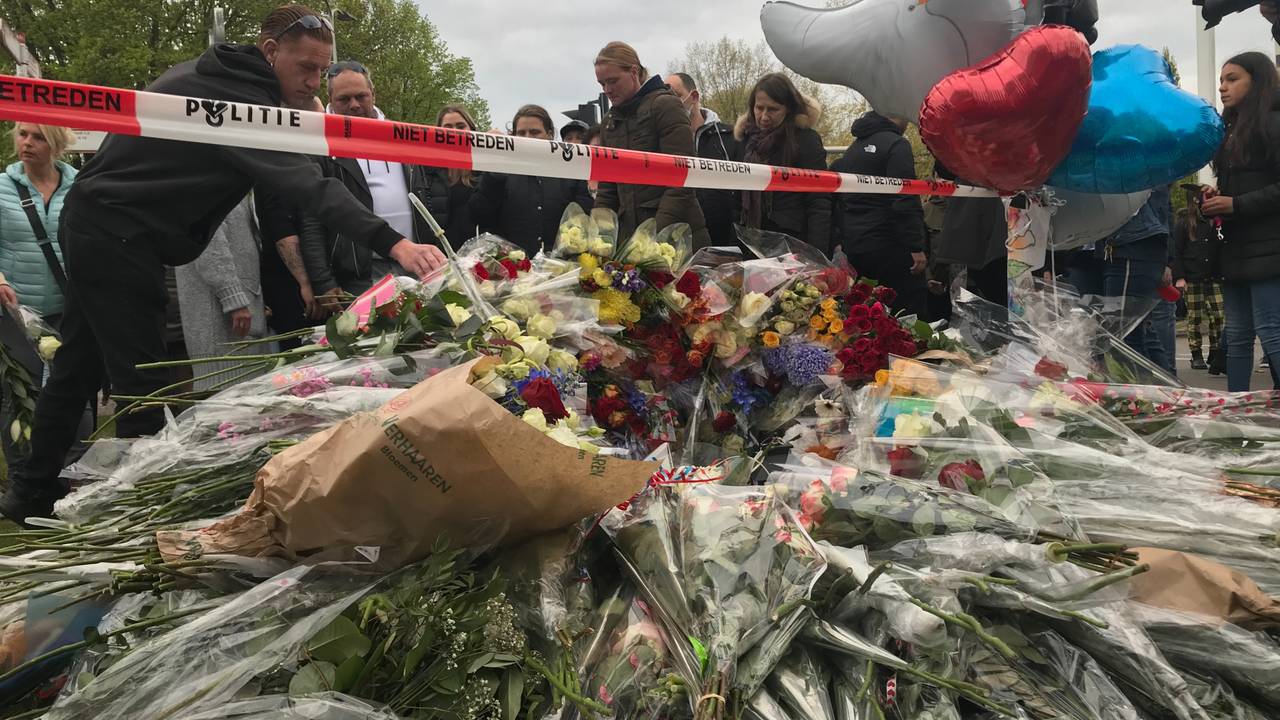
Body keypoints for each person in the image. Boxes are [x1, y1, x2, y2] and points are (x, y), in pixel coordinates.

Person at [0, 4, 445, 523]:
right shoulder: (237, 98)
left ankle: (30, 495)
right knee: (144, 382)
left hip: (107, 226)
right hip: (118, 235)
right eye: (305, 68)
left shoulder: (223, 78)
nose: (312, 82)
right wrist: (394, 242)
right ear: (270, 52)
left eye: (322, 70)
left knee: (76, 367)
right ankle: (141, 515)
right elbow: (305, 185)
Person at [301, 61, 440, 303]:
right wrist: (323, 281)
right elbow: (311, 219)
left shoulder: (402, 136)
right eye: (344, 99)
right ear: (330, 98)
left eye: (361, 96)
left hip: (416, 265)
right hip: (359, 276)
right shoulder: (319, 145)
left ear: (373, 94)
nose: (354, 105)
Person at [1201, 52, 1280, 392]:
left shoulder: (1274, 124)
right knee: (1236, 334)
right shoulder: (1231, 130)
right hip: (1235, 246)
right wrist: (1216, 196)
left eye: (1232, 79)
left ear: (1257, 81)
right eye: (1221, 80)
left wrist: (1237, 203)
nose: (1222, 87)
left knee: (1271, 328)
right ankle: (1235, 412)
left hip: (1269, 245)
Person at [593, 41, 709, 247]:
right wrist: (598, 235)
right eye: (602, 84)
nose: (607, 90)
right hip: (631, 238)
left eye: (612, 81)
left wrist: (653, 236)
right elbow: (607, 189)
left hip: (675, 237)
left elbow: (682, 180)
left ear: (634, 72)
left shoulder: (666, 106)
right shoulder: (610, 121)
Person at [1067, 186, 1174, 369]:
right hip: (1095, 246)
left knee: (1124, 334)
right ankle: (1163, 392)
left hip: (1130, 242)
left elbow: (1160, 199)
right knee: (1123, 332)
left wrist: (1169, 261)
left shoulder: (1138, 163)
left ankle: (1144, 394)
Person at [831, 109, 923, 314]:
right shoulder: (897, 144)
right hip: (890, 245)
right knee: (905, 311)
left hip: (855, 245)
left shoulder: (853, 149)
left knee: (864, 312)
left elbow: (843, 200)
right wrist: (915, 245)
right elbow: (905, 196)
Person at [176, 197, 272, 391]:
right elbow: (208, 245)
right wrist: (234, 298)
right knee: (225, 406)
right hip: (220, 323)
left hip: (240, 317)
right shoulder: (204, 176)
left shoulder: (230, 177)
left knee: (248, 405)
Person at [472, 105, 594, 255]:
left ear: (549, 135)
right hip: (514, 268)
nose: (528, 138)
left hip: (561, 268)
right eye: (521, 133)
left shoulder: (569, 173)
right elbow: (480, 215)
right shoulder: (499, 172)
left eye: (535, 132)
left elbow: (585, 218)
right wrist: (493, 178)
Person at [736, 73, 832, 256]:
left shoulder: (806, 140)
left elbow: (819, 202)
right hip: (748, 241)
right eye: (759, 108)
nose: (763, 116)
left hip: (792, 245)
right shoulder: (744, 140)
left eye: (772, 109)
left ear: (788, 109)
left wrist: (816, 255)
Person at [0, 124, 76, 322]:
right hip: (13, 311)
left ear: (55, 144)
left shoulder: (80, 187)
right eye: (23, 134)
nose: (27, 143)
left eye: (39, 137)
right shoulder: (1, 188)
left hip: (69, 310)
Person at [665, 72, 740, 248]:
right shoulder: (661, 142)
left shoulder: (730, 137)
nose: (670, 104)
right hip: (679, 241)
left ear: (694, 96)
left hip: (725, 240)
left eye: (676, 96)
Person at [1172, 203, 1224, 373]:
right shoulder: (1185, 224)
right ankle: (1196, 354)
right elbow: (1177, 251)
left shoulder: (1216, 221)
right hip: (1192, 277)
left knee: (1218, 315)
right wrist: (1179, 277)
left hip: (1214, 277)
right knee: (1194, 318)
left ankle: (1215, 351)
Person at [428, 104, 482, 245]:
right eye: (448, 127)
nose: (454, 132)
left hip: (479, 252)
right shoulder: (428, 171)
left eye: (460, 126)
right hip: (442, 253)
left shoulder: (483, 169)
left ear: (471, 129)